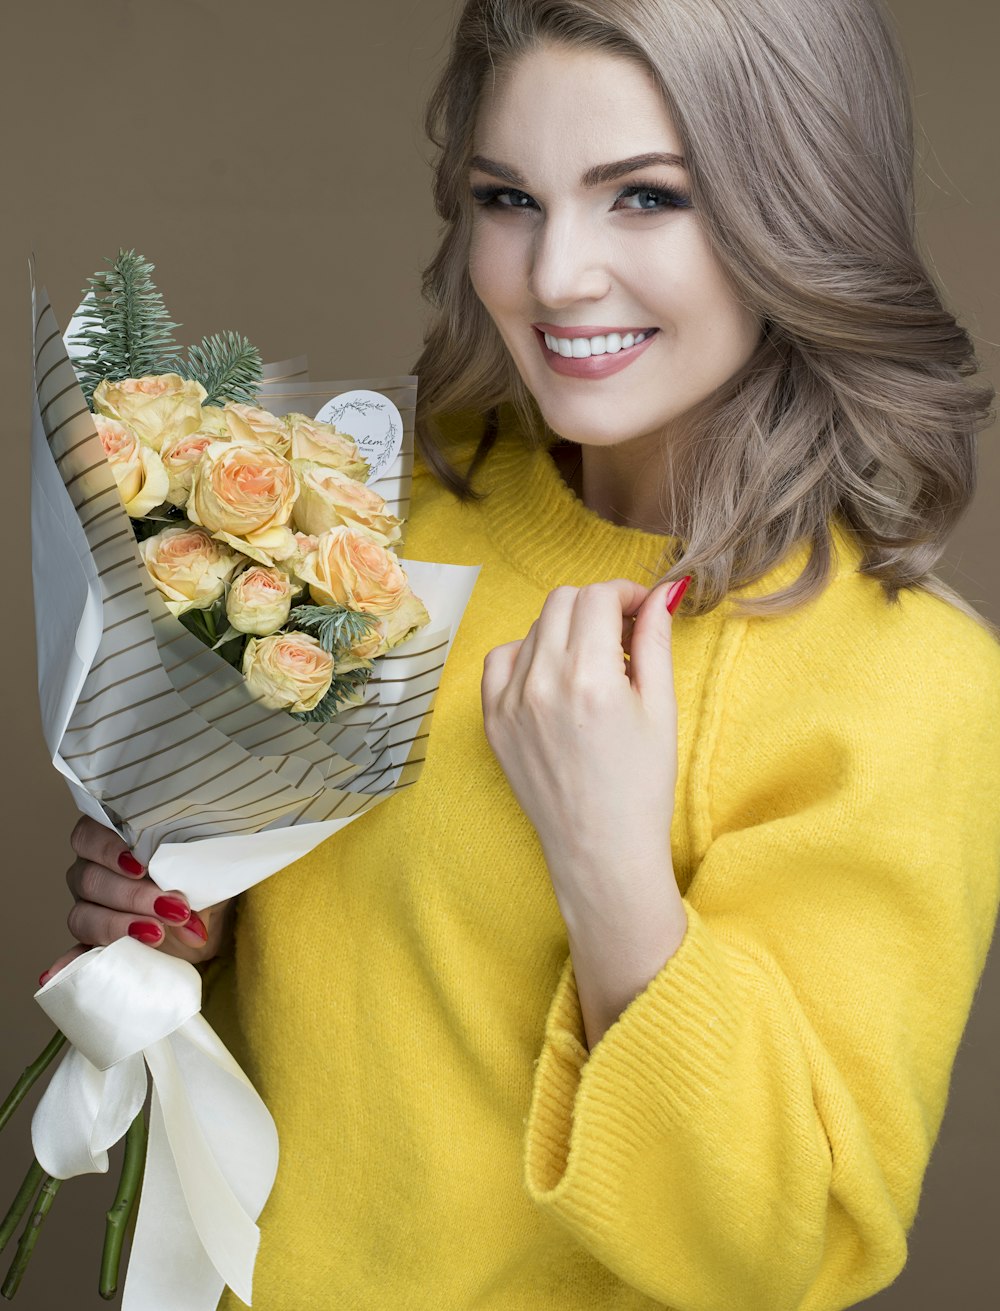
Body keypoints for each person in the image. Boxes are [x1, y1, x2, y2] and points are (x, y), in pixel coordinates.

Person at [47, 1, 1000, 1307]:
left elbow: (775, 1252)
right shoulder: (362, 534)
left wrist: (608, 864)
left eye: (645, 199)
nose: (555, 277)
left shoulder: (902, 686)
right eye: (510, 197)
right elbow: (352, 1054)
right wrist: (187, 916)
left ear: (803, 209)